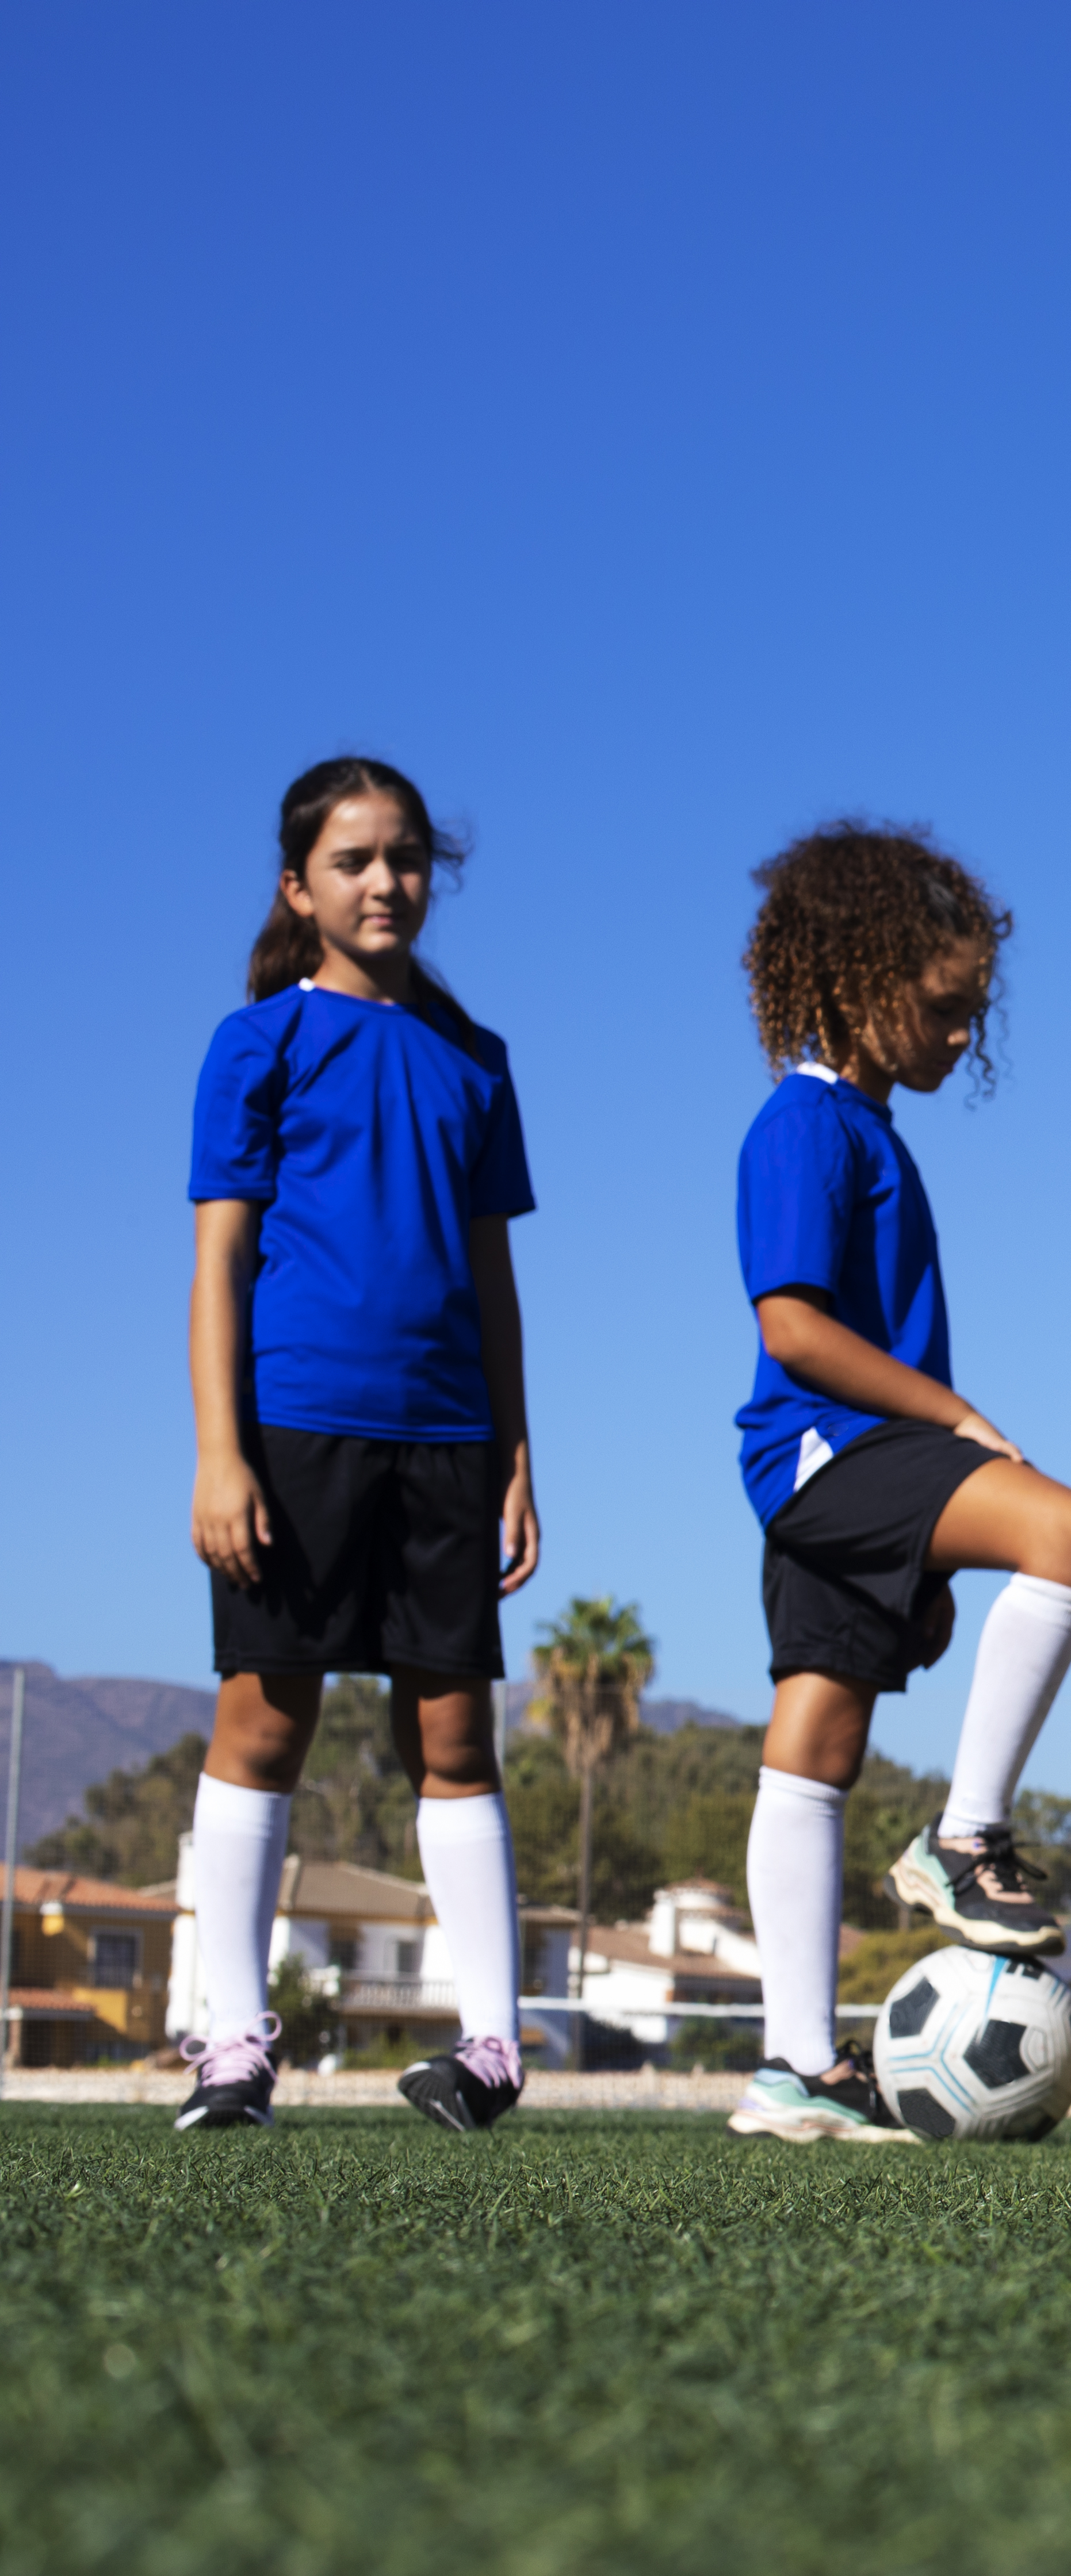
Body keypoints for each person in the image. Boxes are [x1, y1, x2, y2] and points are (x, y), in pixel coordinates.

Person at [722, 822, 1071, 2144]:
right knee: (1068, 1528)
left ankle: (792, 2067)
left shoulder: (870, 1130)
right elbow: (794, 1328)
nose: (963, 1037)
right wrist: (967, 1431)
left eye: (973, 1015)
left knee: (818, 1740)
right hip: (828, 1453)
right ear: (851, 979)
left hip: (833, 1473)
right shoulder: (804, 1125)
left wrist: (939, 1543)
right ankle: (965, 1838)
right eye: (943, 1010)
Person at [181, 756, 541, 2135]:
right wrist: (223, 1452)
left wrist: (517, 1449)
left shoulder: (477, 1059)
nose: (384, 881)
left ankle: (495, 2046)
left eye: (404, 857)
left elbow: (493, 1278)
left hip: (448, 1434)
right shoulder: (257, 1043)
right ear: (300, 887)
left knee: (453, 1725)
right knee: (264, 1715)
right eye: (352, 860)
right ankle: (232, 2047)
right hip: (293, 1428)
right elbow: (218, 1265)